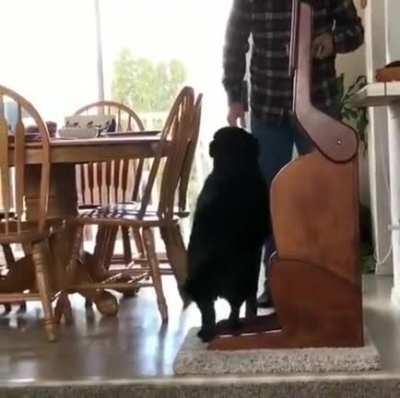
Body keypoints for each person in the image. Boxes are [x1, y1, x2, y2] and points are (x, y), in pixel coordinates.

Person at [222, 0, 364, 307]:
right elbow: (235, 39)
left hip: (319, 104)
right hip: (268, 106)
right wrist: (235, 96)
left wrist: (333, 41)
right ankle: (276, 283)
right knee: (270, 196)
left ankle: (331, 282)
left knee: (326, 195)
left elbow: (355, 31)